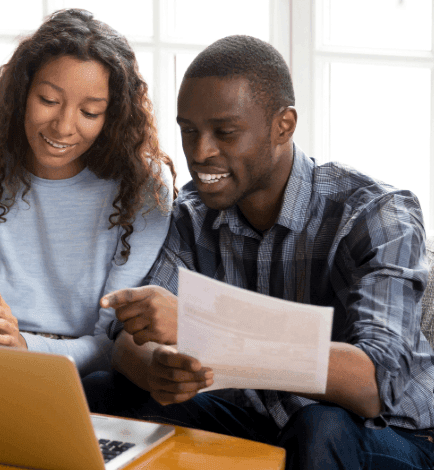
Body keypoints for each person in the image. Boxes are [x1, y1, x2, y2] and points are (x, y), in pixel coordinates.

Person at [84, 35, 434, 469]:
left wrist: (204, 328)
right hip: (261, 421)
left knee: (320, 427)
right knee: (106, 390)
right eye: (188, 131)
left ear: (283, 126)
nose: (199, 152)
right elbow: (128, 342)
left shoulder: (375, 213)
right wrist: (158, 366)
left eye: (224, 133)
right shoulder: (192, 215)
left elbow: (373, 384)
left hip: (387, 434)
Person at [0, 8, 177, 378]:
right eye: (49, 101)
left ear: (112, 116)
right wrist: (0, 343)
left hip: (81, 374)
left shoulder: (145, 188)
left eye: (89, 111)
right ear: (22, 93)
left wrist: (24, 347)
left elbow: (111, 343)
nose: (64, 126)